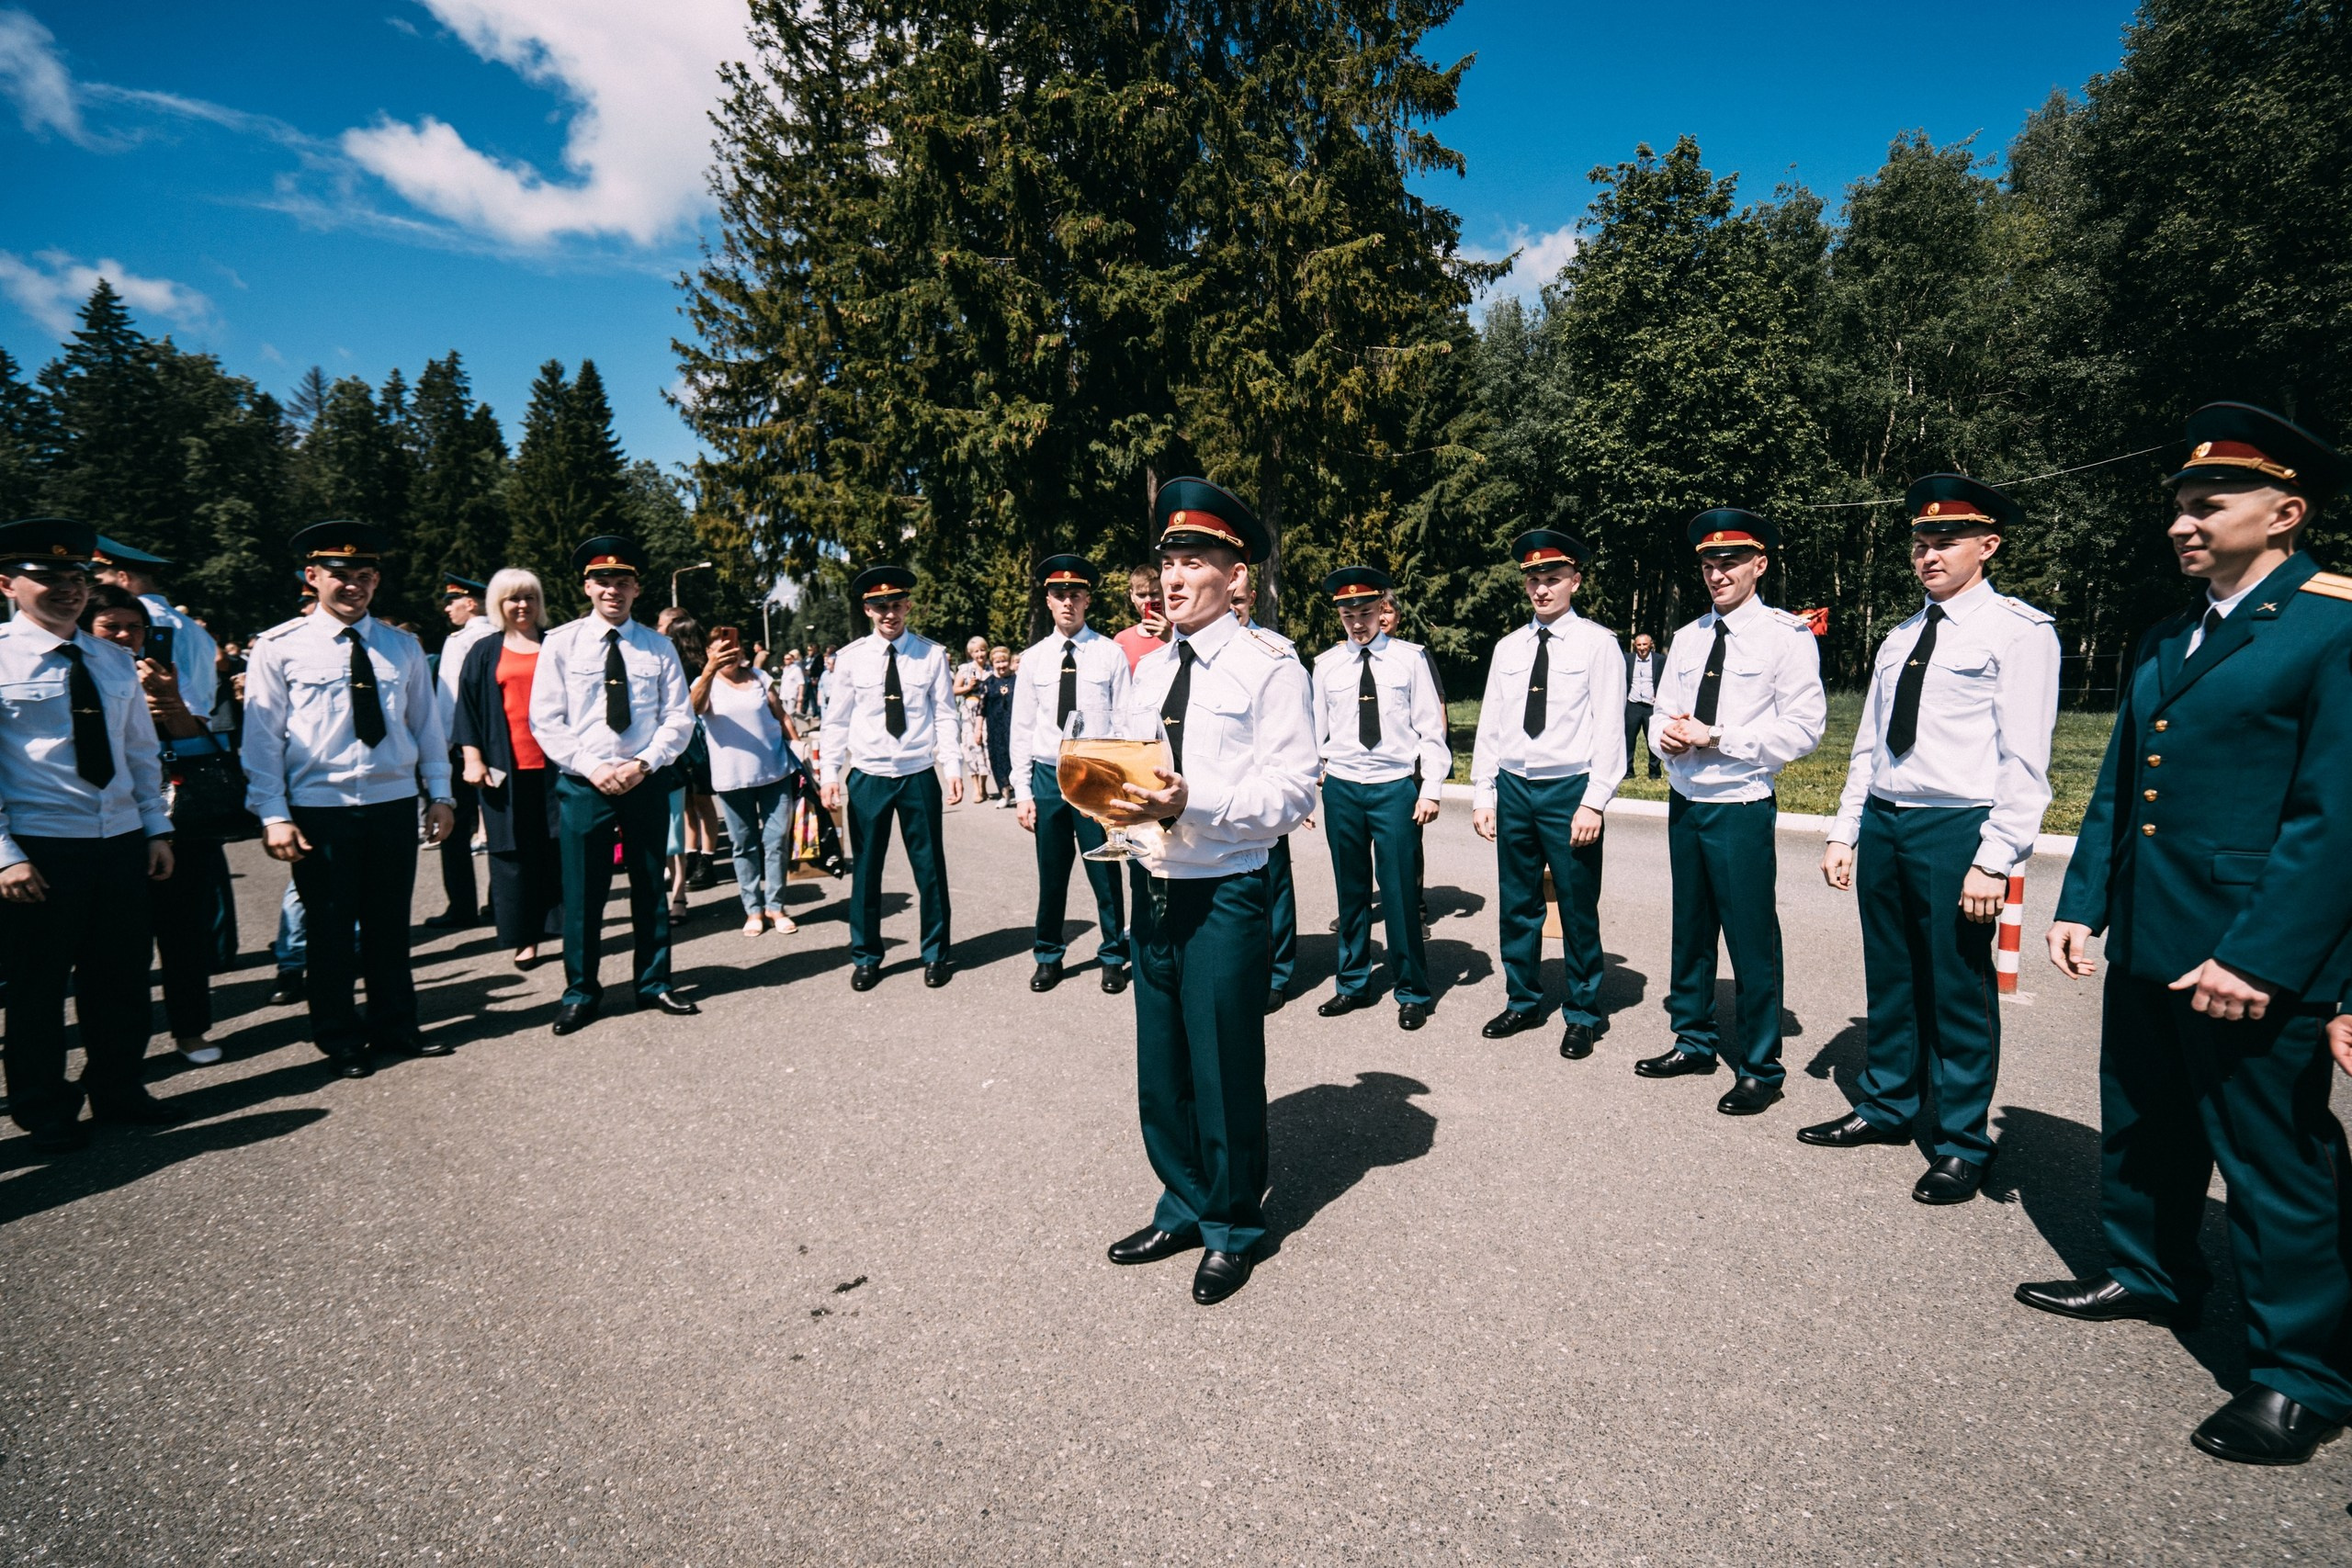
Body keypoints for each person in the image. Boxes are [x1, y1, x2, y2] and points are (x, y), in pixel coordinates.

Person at [2030, 405, 2352, 1465]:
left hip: (2254, 952)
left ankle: (2302, 1375)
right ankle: (2151, 1270)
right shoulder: (2171, 634)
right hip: (2154, 932)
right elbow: (2122, 785)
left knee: (2272, 1163)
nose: (2181, 522)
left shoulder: (2331, 625)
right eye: (2177, 504)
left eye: (2207, 504)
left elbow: (2334, 817)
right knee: (2143, 1121)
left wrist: (2261, 955)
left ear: (2285, 513)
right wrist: (2083, 900)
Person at [1098, 478, 1317, 1305]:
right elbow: (1135, 765)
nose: (1175, 577)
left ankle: (1231, 1225)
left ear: (1235, 574)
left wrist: (1195, 801)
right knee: (1163, 1069)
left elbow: (1293, 791)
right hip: (1152, 883)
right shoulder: (1150, 668)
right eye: (1169, 562)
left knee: (1224, 1066)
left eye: (1194, 561)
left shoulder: (1270, 665)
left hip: (1225, 887)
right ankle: (1183, 1202)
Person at [1811, 476, 2060, 1203]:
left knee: (1957, 987)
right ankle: (1888, 1105)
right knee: (1891, 976)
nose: (1929, 554)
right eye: (1921, 542)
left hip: (1958, 825)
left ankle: (1961, 1141)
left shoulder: (2020, 632)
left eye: (1946, 541)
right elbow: (1869, 744)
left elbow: (2026, 760)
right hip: (1887, 819)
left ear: (1989, 545)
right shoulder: (1899, 637)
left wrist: (1996, 858)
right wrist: (1846, 829)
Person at [240, 521, 458, 1077]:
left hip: (391, 802)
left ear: (377, 580)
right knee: (331, 930)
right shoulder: (279, 647)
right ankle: (339, 1037)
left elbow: (426, 726)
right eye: (340, 574)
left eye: (365, 575)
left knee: (389, 926)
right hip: (320, 807)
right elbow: (262, 740)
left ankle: (396, 1027)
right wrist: (273, 814)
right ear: (312, 576)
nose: (353, 585)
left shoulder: (401, 646)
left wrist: (440, 793)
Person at [0, 517, 186, 1152]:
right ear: (7, 583)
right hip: (41, 845)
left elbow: (139, 752)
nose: (67, 587)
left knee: (121, 978)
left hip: (120, 838)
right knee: (38, 987)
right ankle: (43, 1108)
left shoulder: (111, 657)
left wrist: (155, 827)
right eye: (47, 576)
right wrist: (4, 855)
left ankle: (118, 1087)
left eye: (76, 575)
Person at [1637, 511, 1826, 1115]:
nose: (1717, 574)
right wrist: (1663, 739)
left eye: (1730, 562)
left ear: (1759, 564)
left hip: (1739, 804)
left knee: (1750, 938)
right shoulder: (1690, 635)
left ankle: (1760, 1067)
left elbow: (1804, 728)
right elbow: (1661, 712)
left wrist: (1718, 736)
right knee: (1690, 930)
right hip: (1687, 799)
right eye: (1708, 564)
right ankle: (1693, 1040)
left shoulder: (1786, 636)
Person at [528, 536, 701, 1035]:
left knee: (650, 886)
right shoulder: (561, 643)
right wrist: (591, 766)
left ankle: (654, 983)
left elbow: (678, 717)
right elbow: (546, 719)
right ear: (587, 587)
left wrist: (644, 763)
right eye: (602, 581)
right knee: (584, 894)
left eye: (622, 581)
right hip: (585, 784)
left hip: (644, 780)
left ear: (636, 589)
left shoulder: (658, 645)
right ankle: (581, 992)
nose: (613, 590)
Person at [1470, 529, 1629, 1060]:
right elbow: (1491, 722)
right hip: (1514, 786)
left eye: (1553, 578)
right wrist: (1484, 792)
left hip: (1569, 788)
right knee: (1518, 903)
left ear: (1575, 581)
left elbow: (1610, 728)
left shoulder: (1598, 644)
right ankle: (1523, 1000)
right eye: (1534, 579)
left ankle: (1582, 1012)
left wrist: (1595, 800)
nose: (1541, 589)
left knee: (1577, 905)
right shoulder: (1508, 647)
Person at [80, 583, 232, 1066]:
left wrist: (170, 703)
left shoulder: (165, 673)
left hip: (175, 819)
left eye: (135, 628)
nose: (125, 636)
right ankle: (120, 1052)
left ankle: (190, 1031)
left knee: (184, 933)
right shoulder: (75, 673)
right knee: (116, 949)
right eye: (111, 627)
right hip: (103, 822)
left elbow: (202, 748)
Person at [1310, 567, 1448, 1031]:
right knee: (1351, 893)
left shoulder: (1410, 659)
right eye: (1348, 615)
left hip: (1393, 788)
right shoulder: (1326, 665)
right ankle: (1352, 983)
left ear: (1382, 609)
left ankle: (1412, 991)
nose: (1357, 623)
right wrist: (1310, 786)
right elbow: (1314, 732)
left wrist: (1430, 789)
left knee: (1399, 893)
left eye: (1366, 613)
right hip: (1343, 787)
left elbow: (1431, 730)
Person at [820, 565, 963, 989]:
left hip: (917, 773)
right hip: (869, 775)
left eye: (896, 605)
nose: (889, 614)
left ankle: (935, 954)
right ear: (868, 609)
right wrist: (829, 773)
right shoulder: (850, 659)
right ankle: (866, 956)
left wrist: (953, 766)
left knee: (929, 869)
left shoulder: (931, 655)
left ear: (908, 606)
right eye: (880, 606)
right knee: (866, 870)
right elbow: (835, 721)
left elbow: (946, 715)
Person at [1010, 555, 1134, 993]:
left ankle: (1113, 955)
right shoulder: (1034, 659)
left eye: (1075, 595)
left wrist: (1120, 787)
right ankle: (1048, 954)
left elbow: (1124, 722)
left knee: (1106, 873)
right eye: (1059, 594)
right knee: (1052, 872)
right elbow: (1022, 727)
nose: (1068, 602)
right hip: (1049, 775)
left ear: (1087, 600)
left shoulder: (1109, 654)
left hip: (1096, 774)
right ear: (1048, 600)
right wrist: (1023, 791)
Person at [452, 569, 562, 968]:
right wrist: (472, 758)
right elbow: (467, 707)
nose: (522, 605)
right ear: (498, 604)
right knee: (512, 856)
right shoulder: (485, 651)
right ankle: (524, 937)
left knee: (558, 850)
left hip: (557, 768)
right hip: (505, 771)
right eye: (513, 598)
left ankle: (565, 929)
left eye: (529, 597)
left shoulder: (557, 644)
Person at [693, 622, 803, 936]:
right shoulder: (704, 683)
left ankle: (775, 906)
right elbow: (694, 709)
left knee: (776, 840)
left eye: (733, 647)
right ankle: (753, 909)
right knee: (744, 844)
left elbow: (781, 715)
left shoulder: (759, 677)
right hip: (732, 778)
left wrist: (799, 748)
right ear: (708, 652)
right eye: (720, 649)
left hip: (775, 771)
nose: (729, 653)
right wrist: (710, 670)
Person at [1230, 567, 1298, 1012]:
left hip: (1262, 789)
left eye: (1238, 601)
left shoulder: (1274, 651)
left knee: (1274, 883)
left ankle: (1277, 971)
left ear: (1252, 599)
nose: (1231, 609)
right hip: (1214, 793)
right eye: (1226, 601)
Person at [426, 573, 497, 931]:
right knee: (500, 827)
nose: (447, 608)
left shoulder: (458, 642)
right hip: (499, 748)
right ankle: (501, 901)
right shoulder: (503, 634)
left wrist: (440, 751)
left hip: (461, 750)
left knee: (453, 832)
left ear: (470, 604)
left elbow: (449, 701)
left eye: (451, 601)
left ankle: (462, 906)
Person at [662, 614, 722, 915]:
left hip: (689, 742)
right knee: (700, 801)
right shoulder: (700, 663)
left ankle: (697, 856)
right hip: (698, 740)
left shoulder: (682, 665)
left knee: (689, 803)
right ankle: (703, 857)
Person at [954, 635, 994, 802]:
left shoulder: (992, 669)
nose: (980, 654)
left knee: (986, 749)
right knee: (971, 748)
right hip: (969, 714)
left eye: (982, 650)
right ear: (970, 653)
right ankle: (976, 788)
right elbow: (954, 690)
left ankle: (984, 787)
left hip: (988, 713)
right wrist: (968, 687)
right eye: (976, 651)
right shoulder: (965, 669)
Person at [1625, 632, 1665, 781]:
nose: (1642, 648)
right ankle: (1627, 772)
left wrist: (1660, 696)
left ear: (1651, 645)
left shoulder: (1660, 660)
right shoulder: (1627, 659)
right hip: (1632, 705)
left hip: (1651, 706)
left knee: (1653, 740)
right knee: (1628, 740)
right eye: (1639, 645)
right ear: (1635, 646)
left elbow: (1665, 680)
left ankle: (1654, 772)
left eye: (1645, 644)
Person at [1114, 563, 1169, 671]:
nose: (1148, 601)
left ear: (1164, 593)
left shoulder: (1181, 631)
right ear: (1132, 596)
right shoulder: (1122, 640)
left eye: (1154, 594)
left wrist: (1171, 638)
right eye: (1141, 595)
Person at [981, 645, 1018, 805]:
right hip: (995, 727)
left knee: (1015, 758)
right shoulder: (988, 682)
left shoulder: (1018, 680)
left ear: (1009, 661)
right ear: (992, 663)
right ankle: (1004, 794)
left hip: (1015, 726)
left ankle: (1020, 791)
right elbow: (981, 708)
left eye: (1004, 661)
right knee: (997, 759)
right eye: (997, 662)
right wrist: (977, 729)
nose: (1001, 665)